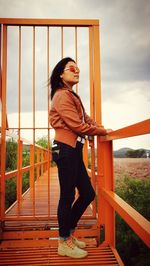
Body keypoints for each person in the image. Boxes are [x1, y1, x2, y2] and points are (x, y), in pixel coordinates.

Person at [49, 57, 108, 259]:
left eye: (78, 68)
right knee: (67, 196)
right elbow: (76, 125)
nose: (77, 71)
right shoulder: (61, 95)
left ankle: (68, 235)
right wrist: (100, 131)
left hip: (72, 149)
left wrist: (100, 127)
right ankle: (63, 241)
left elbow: (84, 118)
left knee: (87, 193)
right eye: (72, 68)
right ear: (61, 74)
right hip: (65, 149)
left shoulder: (70, 95)